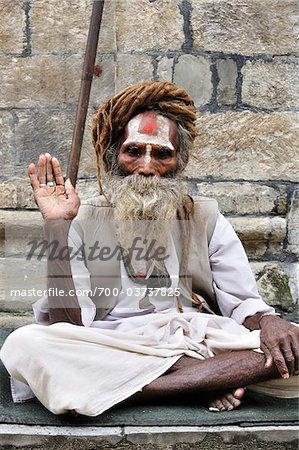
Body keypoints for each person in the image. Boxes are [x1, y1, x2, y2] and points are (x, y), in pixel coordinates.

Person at [1, 81, 298, 416]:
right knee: (26, 345)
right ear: (114, 156)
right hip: (115, 346)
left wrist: (270, 322)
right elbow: (67, 328)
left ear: (180, 161)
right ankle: (199, 383)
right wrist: (56, 226)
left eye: (161, 154)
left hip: (197, 341)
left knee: (293, 344)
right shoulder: (78, 219)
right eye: (134, 151)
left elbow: (243, 303)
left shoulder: (204, 217)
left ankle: (143, 386)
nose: (146, 167)